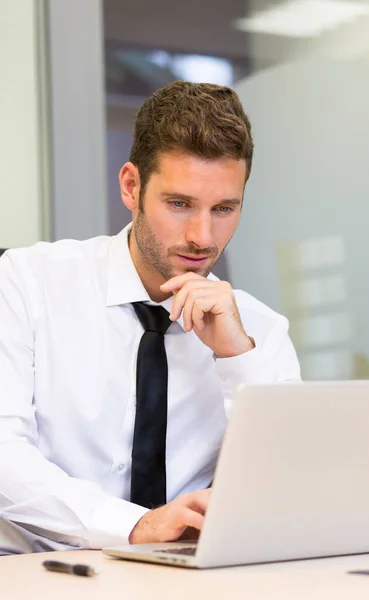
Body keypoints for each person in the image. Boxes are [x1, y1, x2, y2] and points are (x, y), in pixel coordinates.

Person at [0, 81, 300, 554]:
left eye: (224, 208)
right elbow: (3, 454)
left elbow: (289, 495)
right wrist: (132, 527)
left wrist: (237, 360)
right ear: (131, 186)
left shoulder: (259, 333)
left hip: (189, 581)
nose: (202, 237)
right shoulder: (27, 283)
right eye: (179, 204)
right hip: (34, 573)